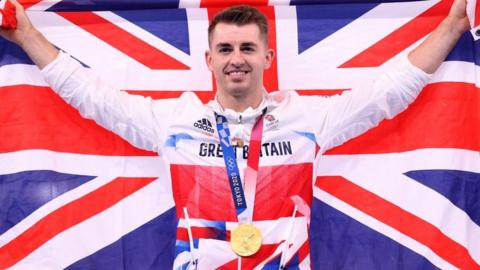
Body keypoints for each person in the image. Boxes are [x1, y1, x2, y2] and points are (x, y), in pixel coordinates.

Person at [0, 0, 470, 269]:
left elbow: (387, 93)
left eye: (248, 47)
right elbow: (91, 95)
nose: (236, 58)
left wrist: (452, 25)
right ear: (209, 61)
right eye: (224, 48)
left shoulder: (307, 119)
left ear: (267, 58)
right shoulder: (175, 122)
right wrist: (27, 36)